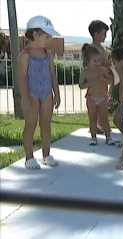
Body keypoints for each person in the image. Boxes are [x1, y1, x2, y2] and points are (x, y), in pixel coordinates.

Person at [18, 16, 60, 169]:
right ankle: (29, 157)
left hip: (46, 92)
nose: (49, 39)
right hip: (32, 93)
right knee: (30, 125)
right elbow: (21, 77)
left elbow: (52, 75)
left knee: (46, 124)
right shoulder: (25, 55)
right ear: (35, 35)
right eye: (46, 36)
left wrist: (57, 93)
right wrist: (24, 96)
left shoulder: (47, 55)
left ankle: (46, 154)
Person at [78, 44, 115, 146]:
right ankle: (93, 137)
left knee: (104, 118)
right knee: (92, 118)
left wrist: (104, 79)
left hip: (102, 97)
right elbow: (80, 85)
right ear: (87, 61)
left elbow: (111, 80)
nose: (97, 63)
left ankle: (108, 136)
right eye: (94, 60)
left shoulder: (102, 70)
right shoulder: (85, 72)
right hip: (91, 98)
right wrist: (88, 83)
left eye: (99, 60)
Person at [88, 20, 111, 135]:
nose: (105, 36)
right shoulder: (94, 49)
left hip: (102, 79)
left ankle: (98, 125)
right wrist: (109, 64)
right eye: (103, 33)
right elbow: (99, 63)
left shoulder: (98, 47)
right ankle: (97, 124)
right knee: (98, 102)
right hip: (98, 79)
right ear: (96, 34)